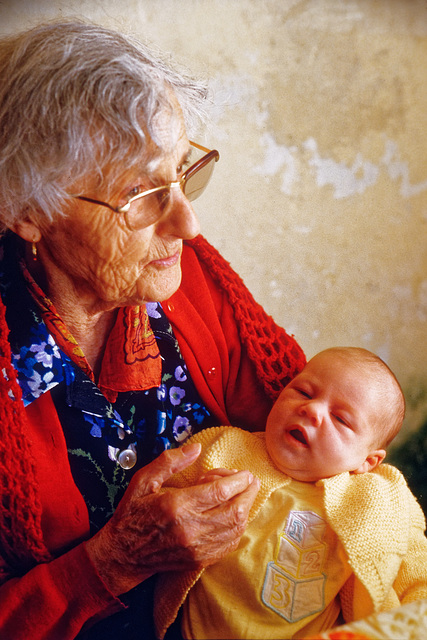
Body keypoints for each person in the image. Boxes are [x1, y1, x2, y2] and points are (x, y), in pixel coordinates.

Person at [0, 19, 306, 640]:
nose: (188, 224)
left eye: (182, 172)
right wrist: (111, 563)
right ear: (29, 211)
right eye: (141, 194)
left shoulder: (182, 275)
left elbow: (304, 419)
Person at [154, 347, 427, 640]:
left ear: (367, 461)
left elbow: (417, 579)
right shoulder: (224, 449)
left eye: (341, 419)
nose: (312, 409)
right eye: (304, 392)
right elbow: (156, 512)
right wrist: (198, 496)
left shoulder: (380, 500)